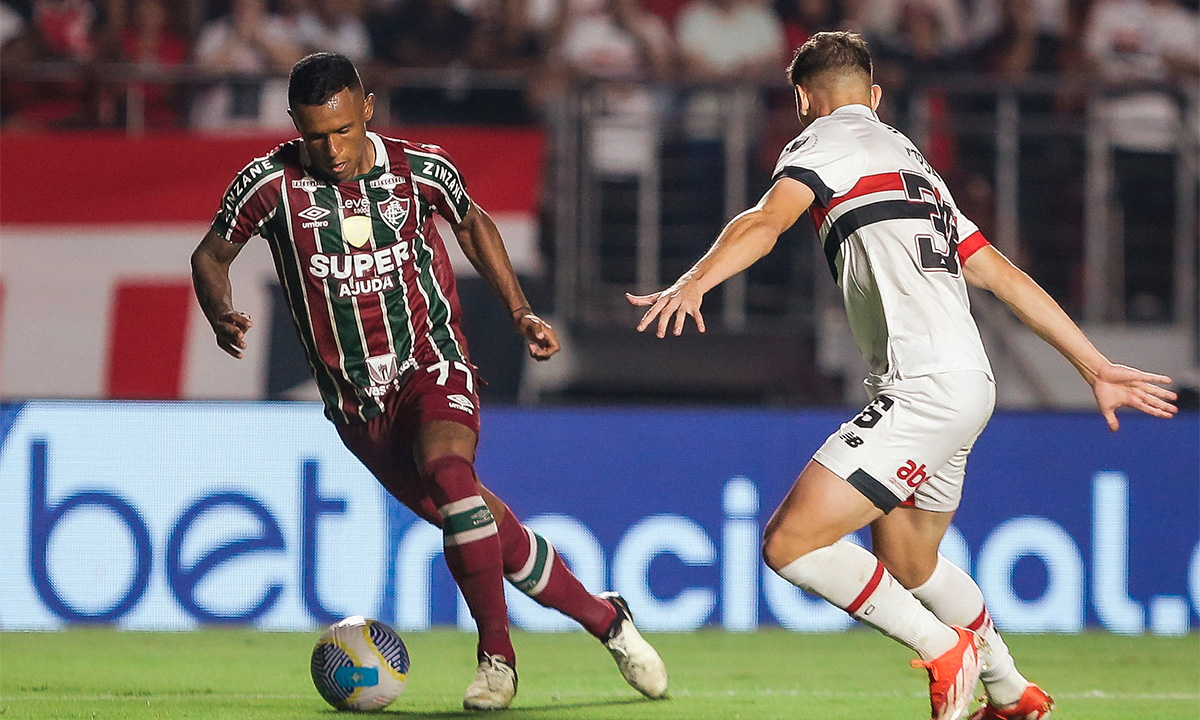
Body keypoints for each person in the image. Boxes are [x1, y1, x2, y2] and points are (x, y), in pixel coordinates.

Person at [629, 31, 1178, 720]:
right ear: (877, 96)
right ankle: (1011, 693)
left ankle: (945, 650)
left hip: (923, 389)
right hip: (969, 383)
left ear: (803, 99)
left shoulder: (820, 142)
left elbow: (768, 221)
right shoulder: (919, 168)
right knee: (909, 561)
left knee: (790, 543)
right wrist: (1092, 364)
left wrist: (697, 278)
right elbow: (1001, 274)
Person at [191, 52, 668, 711]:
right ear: (295, 126)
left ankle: (496, 660)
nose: (330, 149)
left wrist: (521, 311)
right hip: (358, 406)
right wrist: (219, 309)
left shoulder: (420, 169)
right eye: (314, 135)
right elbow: (210, 256)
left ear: (367, 108)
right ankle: (607, 618)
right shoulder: (270, 184)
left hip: (431, 362)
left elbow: (473, 223)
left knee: (452, 478)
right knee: (485, 531)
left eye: (341, 130)